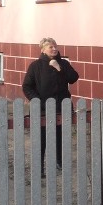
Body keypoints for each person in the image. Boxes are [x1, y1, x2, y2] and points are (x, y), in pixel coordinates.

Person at [22, 37, 80, 172]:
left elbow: (73, 78)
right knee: (41, 139)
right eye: (51, 47)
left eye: (55, 46)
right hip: (42, 110)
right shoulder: (35, 66)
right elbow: (27, 87)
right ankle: (39, 167)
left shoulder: (63, 63)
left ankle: (59, 162)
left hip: (61, 108)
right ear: (43, 49)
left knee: (60, 137)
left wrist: (59, 67)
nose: (54, 49)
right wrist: (37, 102)